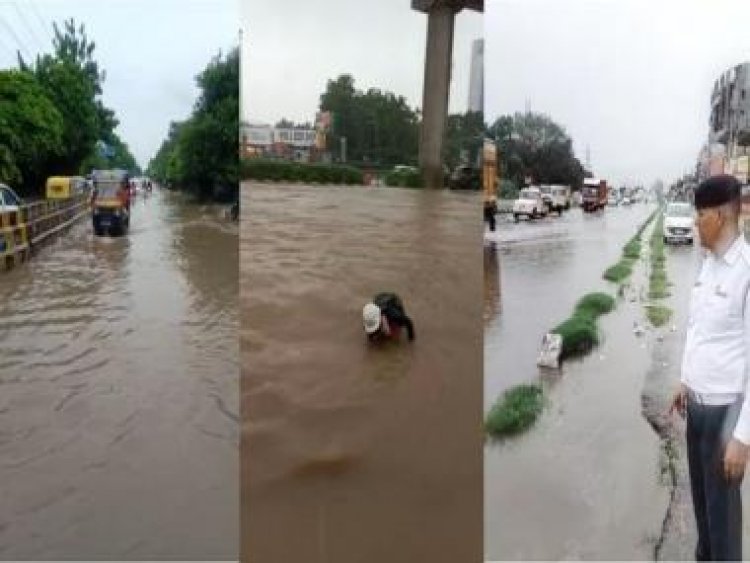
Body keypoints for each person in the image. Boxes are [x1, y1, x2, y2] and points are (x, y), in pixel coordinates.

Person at [670, 174, 750, 561]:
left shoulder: (746, 272)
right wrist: (685, 381)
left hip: (725, 417)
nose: (694, 222)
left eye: (699, 215)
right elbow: (697, 329)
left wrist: (743, 437)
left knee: (724, 524)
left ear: (719, 216)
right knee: (703, 510)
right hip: (697, 411)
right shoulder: (707, 265)